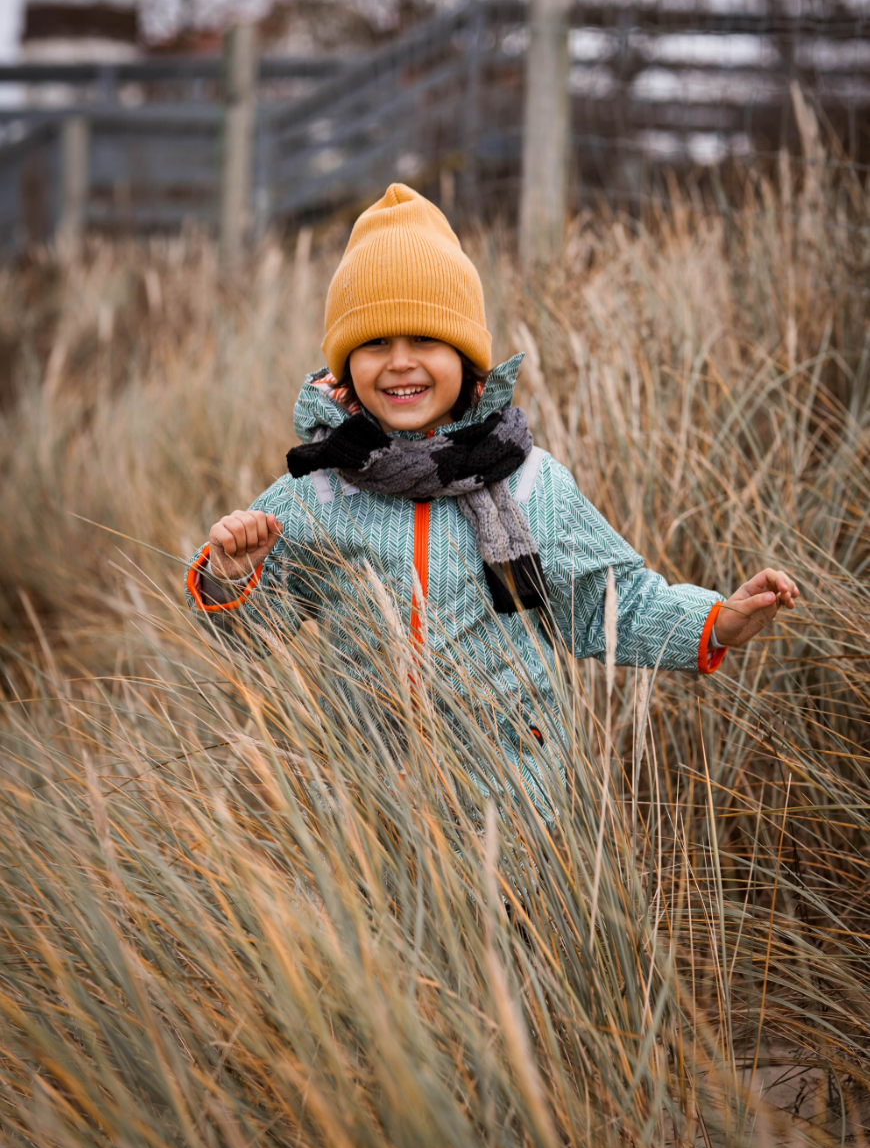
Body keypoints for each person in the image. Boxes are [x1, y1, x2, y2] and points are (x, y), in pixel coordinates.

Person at [186, 183, 798, 800]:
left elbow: (611, 604)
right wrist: (232, 576)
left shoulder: (529, 484)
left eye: (424, 339)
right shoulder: (319, 489)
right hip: (368, 810)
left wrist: (717, 622)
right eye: (374, 343)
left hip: (514, 805)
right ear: (346, 367)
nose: (399, 362)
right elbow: (254, 634)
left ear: (466, 357)